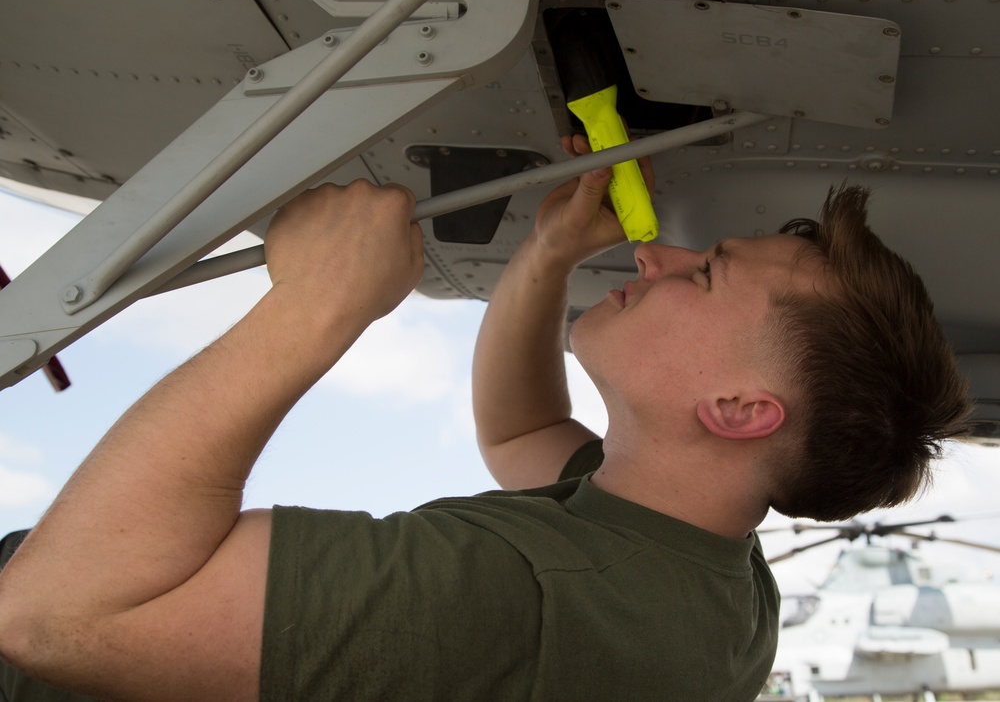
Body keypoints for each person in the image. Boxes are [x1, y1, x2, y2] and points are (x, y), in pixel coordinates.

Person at [0, 136, 970, 700]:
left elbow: (54, 613)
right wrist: (545, 257)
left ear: (737, 409)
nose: (652, 259)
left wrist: (318, 302)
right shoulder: (705, 575)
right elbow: (516, 434)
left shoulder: (522, 597)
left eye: (705, 272)